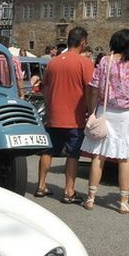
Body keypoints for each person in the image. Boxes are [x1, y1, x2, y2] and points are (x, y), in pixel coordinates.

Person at [80, 28, 129, 213]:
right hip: (127, 115)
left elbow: (94, 89)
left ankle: (90, 198)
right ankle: (123, 201)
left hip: (106, 111)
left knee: (98, 155)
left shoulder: (105, 61)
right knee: (124, 158)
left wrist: (92, 111)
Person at [34, 26, 93, 202]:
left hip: (53, 115)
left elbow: (45, 87)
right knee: (73, 154)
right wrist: (90, 110)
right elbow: (90, 89)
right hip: (74, 117)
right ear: (83, 42)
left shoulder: (54, 62)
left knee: (47, 151)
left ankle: (41, 185)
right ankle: (69, 191)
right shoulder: (84, 63)